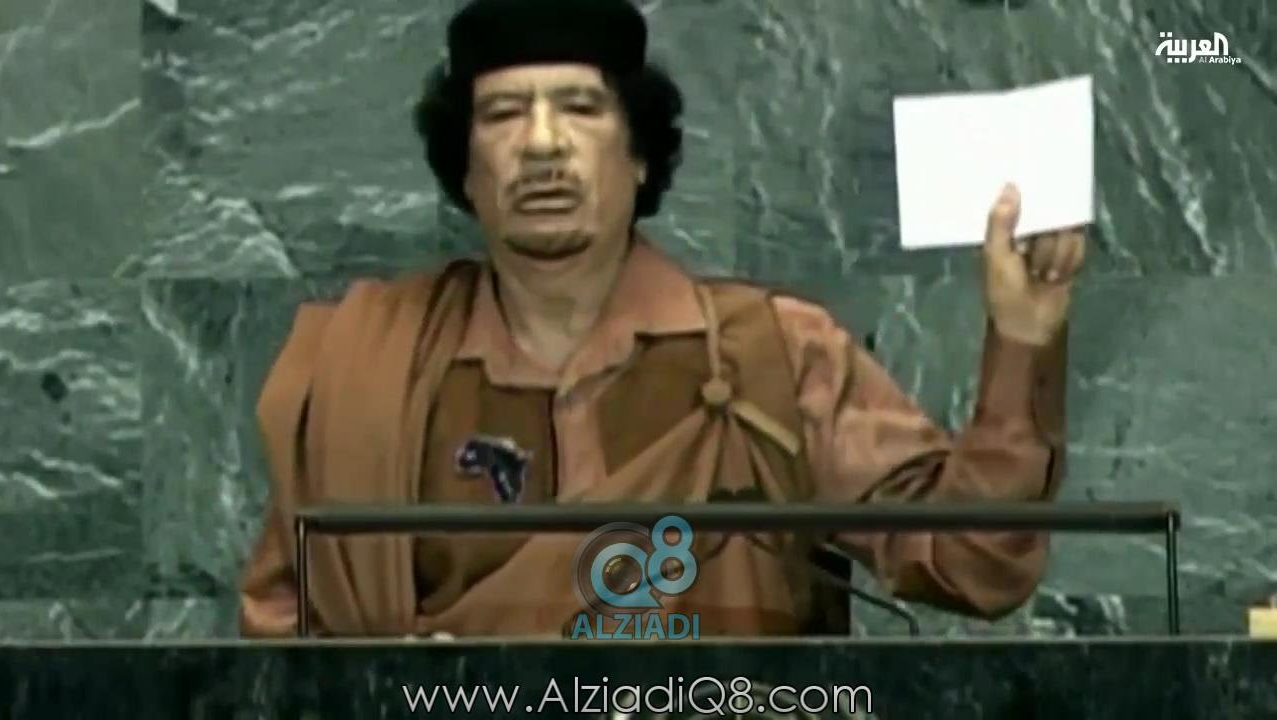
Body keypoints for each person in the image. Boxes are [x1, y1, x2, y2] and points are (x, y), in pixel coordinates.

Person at [238, 0, 1085, 638]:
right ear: (465, 168)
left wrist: (1022, 339)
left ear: (639, 154)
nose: (542, 144)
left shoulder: (772, 356)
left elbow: (976, 564)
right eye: (503, 114)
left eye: (580, 108)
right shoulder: (373, 372)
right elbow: (276, 645)